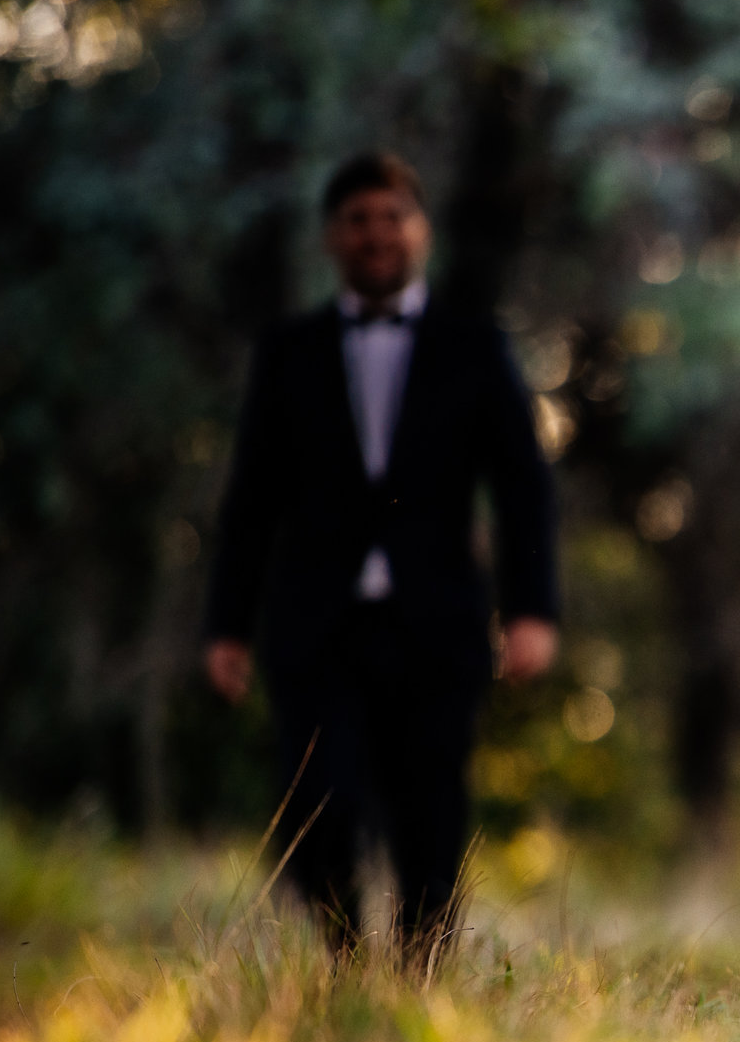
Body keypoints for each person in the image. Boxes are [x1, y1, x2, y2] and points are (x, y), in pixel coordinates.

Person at [202, 151, 559, 954]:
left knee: (431, 809)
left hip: (436, 623)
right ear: (333, 237)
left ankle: (420, 976)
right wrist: (226, 627)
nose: (377, 235)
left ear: (420, 230)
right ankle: (341, 958)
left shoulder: (473, 347)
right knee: (316, 801)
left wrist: (532, 609)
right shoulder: (289, 352)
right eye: (359, 220)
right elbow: (250, 501)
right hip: (317, 622)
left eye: (392, 217)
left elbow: (522, 485)